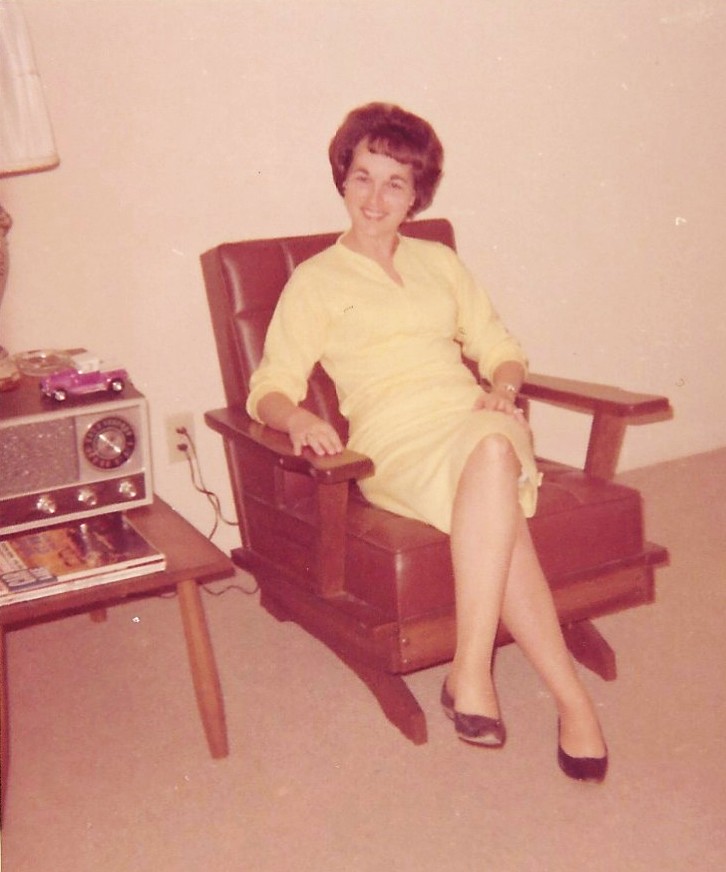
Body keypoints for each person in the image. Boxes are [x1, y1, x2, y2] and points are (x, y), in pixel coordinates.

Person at [246, 102, 608, 782]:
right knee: (497, 485)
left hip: (473, 417)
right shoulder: (316, 280)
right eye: (362, 177)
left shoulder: (439, 262)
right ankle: (569, 702)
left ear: (416, 195)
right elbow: (270, 384)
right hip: (393, 442)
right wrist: (296, 420)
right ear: (342, 179)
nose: (375, 198)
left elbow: (499, 346)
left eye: (395, 183)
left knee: (494, 446)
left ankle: (473, 673)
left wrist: (503, 387)